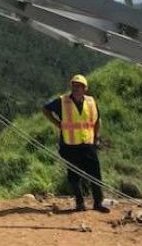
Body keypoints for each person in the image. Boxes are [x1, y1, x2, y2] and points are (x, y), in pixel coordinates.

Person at [42, 74, 109, 213]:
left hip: (88, 143)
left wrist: (96, 137)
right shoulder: (62, 101)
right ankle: (80, 203)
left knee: (95, 174)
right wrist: (57, 124)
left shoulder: (91, 102)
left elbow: (97, 120)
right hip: (70, 144)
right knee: (74, 176)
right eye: (74, 85)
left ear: (85, 88)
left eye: (79, 86)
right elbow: (45, 109)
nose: (76, 88)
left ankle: (98, 203)